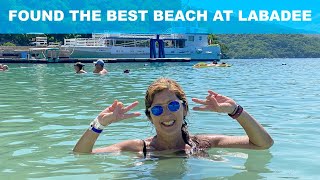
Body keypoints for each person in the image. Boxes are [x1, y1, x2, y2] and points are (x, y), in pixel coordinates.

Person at [73, 78, 273, 155]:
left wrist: (235, 110)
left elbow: (263, 144)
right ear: (150, 116)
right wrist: (99, 124)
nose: (166, 113)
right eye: (157, 109)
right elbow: (81, 155)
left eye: (173, 105)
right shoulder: (137, 147)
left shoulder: (203, 143)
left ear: (184, 109)